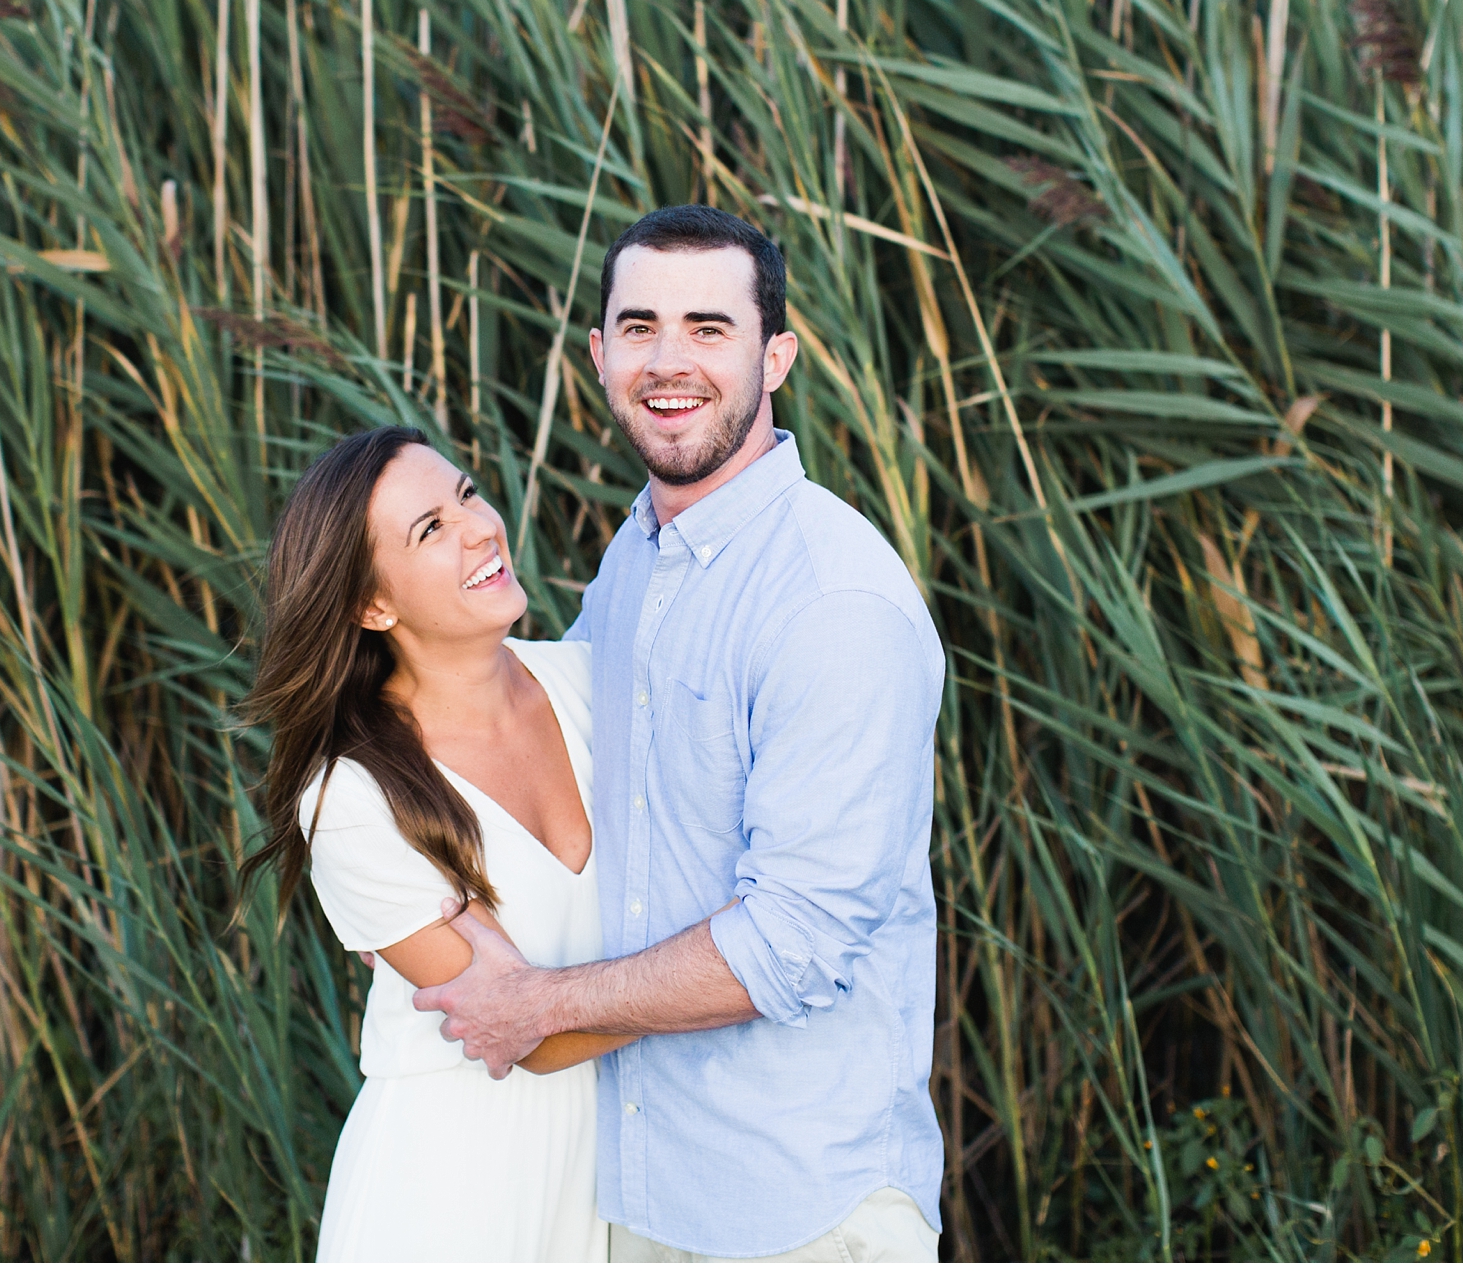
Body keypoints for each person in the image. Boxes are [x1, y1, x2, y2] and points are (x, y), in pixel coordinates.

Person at [412, 205, 949, 1262]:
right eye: (641, 326)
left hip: (802, 1208)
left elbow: (793, 941)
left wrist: (539, 1005)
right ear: (600, 353)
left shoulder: (833, 601)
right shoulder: (639, 560)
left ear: (776, 355)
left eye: (710, 326)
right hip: (635, 1197)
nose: (671, 361)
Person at [243, 425, 625, 1262]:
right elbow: (532, 1038)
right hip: (449, 1193)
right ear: (372, 605)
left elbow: (543, 1004)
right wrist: (726, 981)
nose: (481, 527)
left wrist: (675, 978)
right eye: (431, 531)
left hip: (607, 1186)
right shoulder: (352, 797)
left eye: (467, 495)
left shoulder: (592, 684)